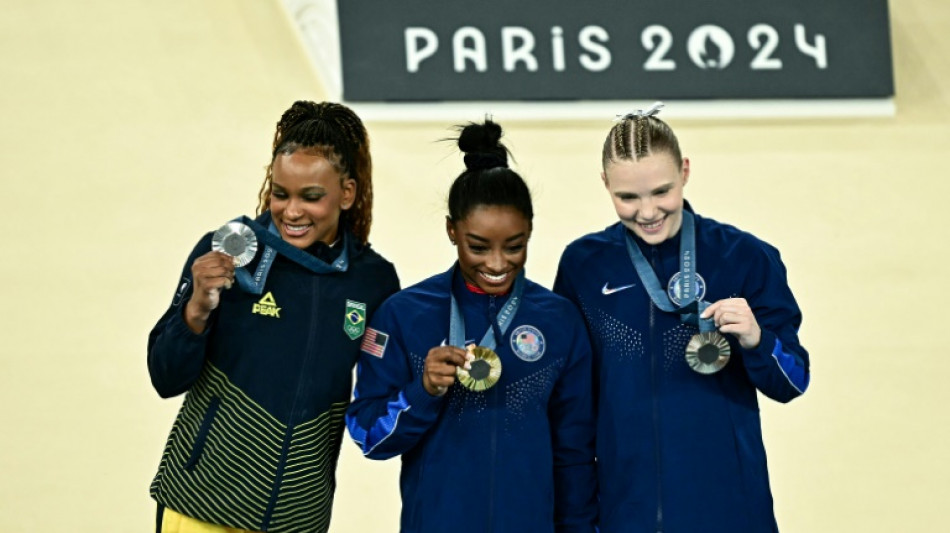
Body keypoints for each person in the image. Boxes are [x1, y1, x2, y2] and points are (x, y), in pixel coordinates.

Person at [554, 103, 810, 533]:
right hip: (625, 510)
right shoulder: (584, 266)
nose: (647, 211)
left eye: (661, 192)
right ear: (605, 184)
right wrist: (577, 520)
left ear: (685, 171)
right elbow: (572, 404)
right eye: (627, 197)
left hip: (728, 509)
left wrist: (757, 339)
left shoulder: (744, 257)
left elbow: (794, 381)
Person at [147, 100, 400, 533]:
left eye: (311, 197)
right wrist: (196, 310)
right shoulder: (227, 253)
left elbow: (383, 394)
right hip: (199, 505)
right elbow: (165, 378)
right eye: (281, 193)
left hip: (296, 519)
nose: (292, 211)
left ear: (347, 193)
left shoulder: (372, 280)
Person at [345, 120, 597, 533]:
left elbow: (574, 453)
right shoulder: (404, 315)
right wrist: (422, 391)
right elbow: (368, 436)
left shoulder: (559, 320)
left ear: (530, 231)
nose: (497, 263)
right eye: (477, 246)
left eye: (515, 246)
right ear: (452, 230)